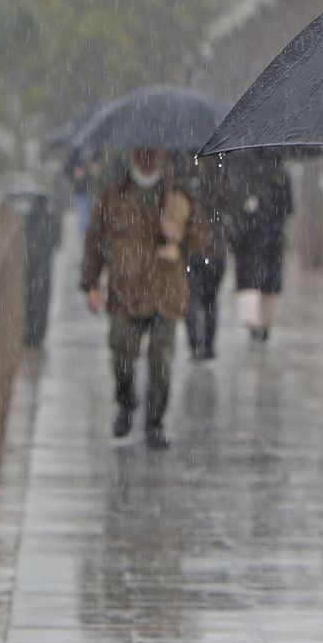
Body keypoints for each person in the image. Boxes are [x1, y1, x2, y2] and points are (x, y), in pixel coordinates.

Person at [80, 146, 208, 449]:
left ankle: (155, 422)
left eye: (153, 154)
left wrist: (180, 234)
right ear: (131, 156)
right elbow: (95, 240)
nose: (147, 160)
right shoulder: (113, 196)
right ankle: (126, 403)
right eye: (141, 154)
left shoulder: (179, 196)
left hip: (166, 290)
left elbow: (202, 237)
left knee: (161, 362)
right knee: (122, 353)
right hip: (126, 290)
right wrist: (90, 283)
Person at [227, 149, 293, 342]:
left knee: (256, 283)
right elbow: (288, 208)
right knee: (263, 284)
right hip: (263, 240)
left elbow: (287, 207)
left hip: (257, 240)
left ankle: (257, 326)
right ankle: (260, 326)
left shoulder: (245, 173)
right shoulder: (279, 174)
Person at [182, 153, 230, 361]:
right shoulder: (220, 173)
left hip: (201, 249)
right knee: (207, 300)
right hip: (208, 248)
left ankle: (197, 344)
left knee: (194, 299)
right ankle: (205, 345)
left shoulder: (185, 174)